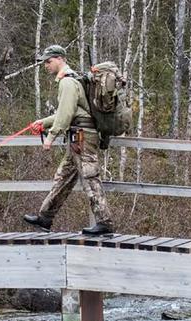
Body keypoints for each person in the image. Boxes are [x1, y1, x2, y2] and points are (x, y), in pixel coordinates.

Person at [23, 45, 114, 236]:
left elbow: (65, 114)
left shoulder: (67, 82)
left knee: (90, 177)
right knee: (63, 177)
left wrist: (50, 136)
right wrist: (43, 122)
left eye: (48, 61)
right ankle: (45, 217)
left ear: (59, 59)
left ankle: (105, 222)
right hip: (77, 136)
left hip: (82, 137)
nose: (46, 66)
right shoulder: (71, 80)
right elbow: (67, 111)